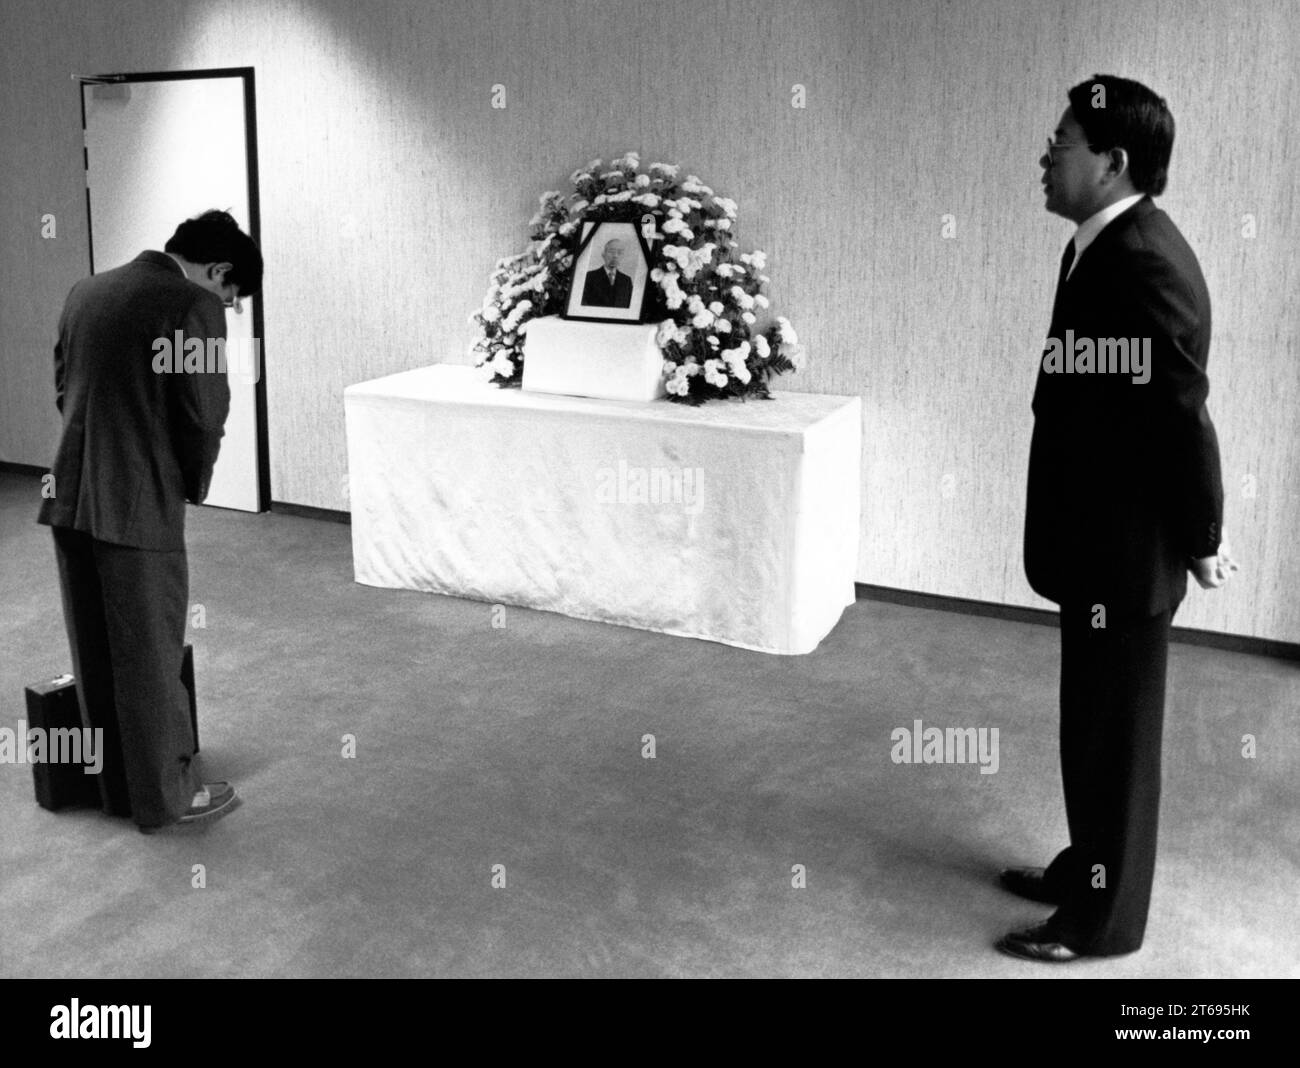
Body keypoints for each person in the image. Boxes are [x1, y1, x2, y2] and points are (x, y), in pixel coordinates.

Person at [999, 76, 1237, 961]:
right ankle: (1086, 867)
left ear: (1113, 160)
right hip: (1094, 540)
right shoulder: (1100, 245)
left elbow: (1180, 411)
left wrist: (1204, 537)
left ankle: (1104, 923)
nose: (1045, 155)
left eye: (1060, 141)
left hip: (1128, 549)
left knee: (1119, 742)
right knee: (1091, 724)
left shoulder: (1141, 259)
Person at [37, 209, 262, 833]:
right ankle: (167, 797)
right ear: (217, 272)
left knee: (97, 649)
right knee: (148, 652)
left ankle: (116, 789)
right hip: (137, 504)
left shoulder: (87, 290)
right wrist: (191, 482)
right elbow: (201, 412)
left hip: (69, 494)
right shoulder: (192, 306)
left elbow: (64, 388)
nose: (228, 305)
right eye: (232, 294)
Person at [580, 237, 634, 307]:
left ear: (623, 256)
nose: (615, 256)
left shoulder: (627, 281)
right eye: (611, 252)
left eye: (619, 253)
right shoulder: (589, 276)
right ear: (603, 254)